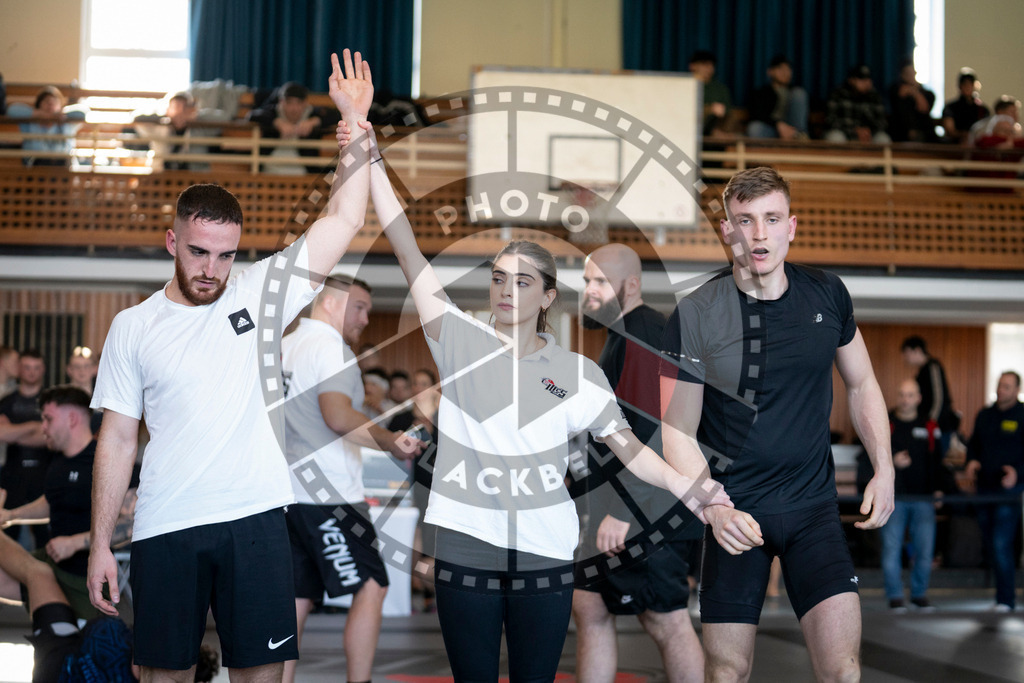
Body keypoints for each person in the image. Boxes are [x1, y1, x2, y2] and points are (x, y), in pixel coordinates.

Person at [360, 121, 730, 682]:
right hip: (468, 548)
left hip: (545, 552)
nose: (508, 291)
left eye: (524, 281)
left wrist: (690, 487)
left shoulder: (577, 373)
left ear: (548, 296)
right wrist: (369, 160)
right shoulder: (457, 339)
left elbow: (629, 449)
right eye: (500, 278)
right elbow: (407, 248)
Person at [87, 48, 376, 681]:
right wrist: (102, 543)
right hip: (167, 524)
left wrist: (356, 126)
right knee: (163, 674)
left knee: (262, 676)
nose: (210, 270)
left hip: (257, 520)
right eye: (197, 252)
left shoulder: (258, 293)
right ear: (172, 241)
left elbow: (346, 216)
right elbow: (115, 438)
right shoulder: (133, 326)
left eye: (224, 256)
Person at [658, 166, 894, 682]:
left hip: (813, 511)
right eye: (744, 220)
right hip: (736, 515)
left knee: (844, 670)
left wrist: (884, 469)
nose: (758, 233)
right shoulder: (697, 313)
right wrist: (713, 508)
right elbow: (676, 429)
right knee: (725, 672)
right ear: (726, 230)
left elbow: (862, 383)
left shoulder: (827, 294)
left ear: (792, 226)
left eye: (771, 218)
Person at [573, 244, 705, 683]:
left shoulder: (644, 332)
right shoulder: (621, 334)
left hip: (647, 513)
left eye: (599, 282)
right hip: (619, 509)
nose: (588, 291)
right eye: (586, 281)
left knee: (665, 620)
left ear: (630, 285)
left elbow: (656, 430)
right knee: (588, 606)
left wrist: (623, 510)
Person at [280, 275, 421, 683]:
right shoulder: (330, 349)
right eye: (358, 307)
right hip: (328, 496)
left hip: (286, 493)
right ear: (329, 303)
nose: (364, 318)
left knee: (297, 597)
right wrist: (390, 440)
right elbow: (338, 416)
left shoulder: (287, 347)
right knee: (372, 586)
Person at [0, 530, 219, 683]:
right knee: (25, 580)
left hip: (55, 669)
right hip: (65, 645)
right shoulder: (132, 638)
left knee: (38, 575)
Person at [0, 386, 137, 621]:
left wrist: (74, 543)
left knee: (38, 576)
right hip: (53, 564)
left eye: (48, 419)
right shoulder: (58, 461)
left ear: (72, 419)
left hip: (84, 577)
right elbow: (52, 501)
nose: (43, 427)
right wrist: (11, 515)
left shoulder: (104, 460)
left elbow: (131, 524)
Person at [881, 379, 948, 612]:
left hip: (924, 498)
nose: (905, 399)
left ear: (918, 398)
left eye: (910, 395)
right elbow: (870, 455)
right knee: (891, 549)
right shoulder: (885, 422)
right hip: (893, 497)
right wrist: (893, 461)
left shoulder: (930, 426)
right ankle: (895, 596)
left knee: (924, 550)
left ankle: (919, 594)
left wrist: (939, 489)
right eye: (902, 394)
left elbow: (938, 461)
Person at [964, 371, 1024, 612]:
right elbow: (974, 444)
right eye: (1000, 386)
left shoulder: (1022, 415)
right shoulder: (985, 415)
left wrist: (1018, 473)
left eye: (1007, 387)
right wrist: (971, 461)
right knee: (990, 542)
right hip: (984, 489)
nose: (1002, 390)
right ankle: (1000, 595)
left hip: (1008, 492)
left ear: (1017, 390)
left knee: (1001, 544)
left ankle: (1006, 600)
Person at [0, 349, 52, 549]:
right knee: (7, 536)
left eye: (36, 368)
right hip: (13, 475)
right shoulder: (7, 401)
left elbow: (50, 437)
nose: (31, 372)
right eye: (27, 367)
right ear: (19, 369)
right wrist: (33, 429)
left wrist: (14, 432)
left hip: (43, 474)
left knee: (45, 537)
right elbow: (1, 434)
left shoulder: (51, 400)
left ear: (43, 370)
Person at [248, 81, 338, 175]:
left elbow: (336, 115)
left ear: (305, 103)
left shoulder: (311, 114)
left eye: (298, 103)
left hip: (304, 175)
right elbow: (253, 115)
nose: (294, 108)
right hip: (269, 172)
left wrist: (314, 122)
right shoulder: (273, 113)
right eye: (289, 102)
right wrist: (277, 123)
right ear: (281, 102)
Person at [901, 335, 960, 448]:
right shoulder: (921, 371)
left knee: (935, 460)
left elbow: (939, 397)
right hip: (927, 425)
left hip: (939, 426)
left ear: (917, 350)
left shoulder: (933, 366)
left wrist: (932, 420)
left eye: (907, 353)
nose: (906, 358)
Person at [6, 86, 87, 167]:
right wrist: (37, 114)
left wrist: (64, 114)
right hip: (35, 168)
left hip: (63, 168)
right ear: (39, 104)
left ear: (60, 105)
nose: (50, 104)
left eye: (55, 101)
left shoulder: (67, 122)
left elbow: (83, 112)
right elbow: (11, 110)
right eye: (46, 101)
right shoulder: (30, 122)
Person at [746, 54, 808, 140]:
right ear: (770, 71)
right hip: (773, 129)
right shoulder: (762, 92)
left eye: (788, 69)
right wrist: (778, 124)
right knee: (754, 128)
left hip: (793, 128)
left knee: (799, 93)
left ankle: (798, 136)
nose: (785, 72)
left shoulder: (796, 92)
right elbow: (757, 115)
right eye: (780, 69)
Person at [825, 64, 890, 143]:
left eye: (868, 79)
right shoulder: (838, 94)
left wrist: (868, 130)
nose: (866, 82)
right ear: (851, 80)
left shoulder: (875, 97)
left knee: (883, 139)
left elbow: (882, 122)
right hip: (845, 133)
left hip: (869, 134)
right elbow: (830, 120)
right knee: (835, 137)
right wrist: (854, 130)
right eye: (861, 79)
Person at [887, 59, 938, 143]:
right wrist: (915, 94)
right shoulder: (895, 89)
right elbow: (900, 92)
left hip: (925, 132)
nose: (909, 75)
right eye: (906, 73)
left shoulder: (928, 94)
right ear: (902, 75)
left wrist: (916, 94)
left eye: (911, 72)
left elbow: (923, 108)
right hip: (901, 133)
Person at [689, 50, 732, 138]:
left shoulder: (720, 89)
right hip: (689, 129)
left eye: (711, 65)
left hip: (715, 131)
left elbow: (728, 114)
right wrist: (709, 109)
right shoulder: (684, 86)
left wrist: (721, 130)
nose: (709, 69)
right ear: (692, 66)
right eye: (704, 65)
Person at [941, 69, 990, 144]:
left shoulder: (982, 109)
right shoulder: (951, 108)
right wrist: (964, 135)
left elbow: (986, 129)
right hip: (956, 143)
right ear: (960, 86)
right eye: (965, 84)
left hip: (977, 143)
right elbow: (950, 131)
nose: (968, 87)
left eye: (970, 84)